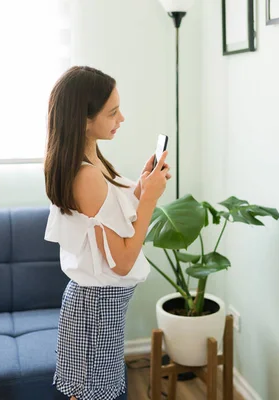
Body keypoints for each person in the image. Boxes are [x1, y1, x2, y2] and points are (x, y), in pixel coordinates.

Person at [43, 65, 170, 400]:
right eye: (112, 112)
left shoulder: (91, 160)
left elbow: (108, 220)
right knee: (95, 394)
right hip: (95, 310)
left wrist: (142, 189)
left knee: (99, 392)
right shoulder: (86, 175)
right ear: (84, 120)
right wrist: (151, 201)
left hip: (99, 308)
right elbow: (122, 261)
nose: (122, 118)